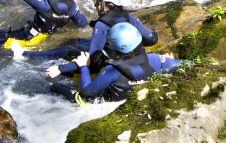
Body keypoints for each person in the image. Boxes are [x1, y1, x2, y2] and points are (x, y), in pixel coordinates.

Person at [23, 0, 157, 73]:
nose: (95, 6)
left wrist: (63, 69)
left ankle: (27, 55)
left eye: (98, 2)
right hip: (130, 57)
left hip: (108, 63)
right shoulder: (129, 17)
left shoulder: (102, 24)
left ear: (107, 5)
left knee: (68, 49)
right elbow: (152, 39)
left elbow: (93, 58)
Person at [48, 23, 180, 104]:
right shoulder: (154, 59)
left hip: (96, 106)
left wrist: (83, 66)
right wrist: (169, 61)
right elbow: (185, 64)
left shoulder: (114, 69)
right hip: (125, 100)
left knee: (54, 87)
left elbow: (88, 91)